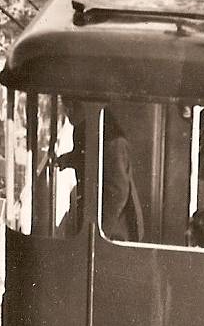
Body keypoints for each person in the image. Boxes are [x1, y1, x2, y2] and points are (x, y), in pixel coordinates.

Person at [52, 99, 144, 242]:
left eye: (72, 103)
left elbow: (117, 192)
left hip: (116, 230)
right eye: (65, 104)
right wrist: (67, 160)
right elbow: (88, 157)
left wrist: (98, 236)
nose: (67, 110)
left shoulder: (112, 139)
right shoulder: (85, 124)